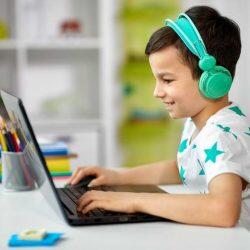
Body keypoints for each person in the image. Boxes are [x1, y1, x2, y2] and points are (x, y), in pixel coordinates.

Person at [67, 6, 250, 227]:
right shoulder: (200, 123)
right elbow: (184, 168)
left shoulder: (222, 135)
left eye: (167, 80)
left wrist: (134, 201)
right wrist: (117, 176)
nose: (156, 92)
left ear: (211, 81)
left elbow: (224, 212)